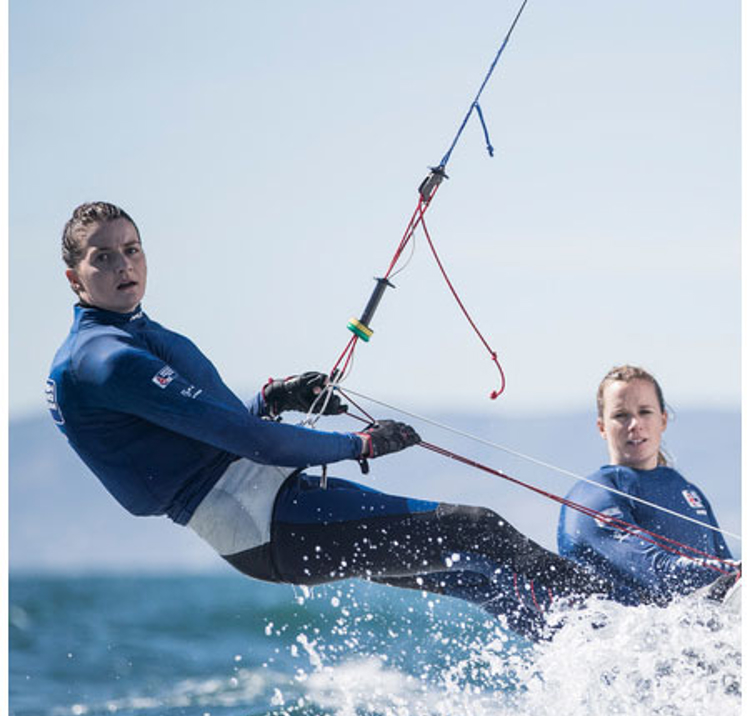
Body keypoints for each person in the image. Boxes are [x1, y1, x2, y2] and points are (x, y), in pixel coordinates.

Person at [47, 201, 612, 641]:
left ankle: (586, 653)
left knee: (476, 574)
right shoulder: (105, 360)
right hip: (267, 523)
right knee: (478, 529)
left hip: (276, 509)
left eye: (132, 249)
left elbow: (208, 433)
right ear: (75, 278)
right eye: (103, 257)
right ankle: (627, 617)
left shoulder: (126, 336)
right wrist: (360, 444)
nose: (124, 264)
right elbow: (246, 444)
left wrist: (274, 397)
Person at [557, 365, 738, 606]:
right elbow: (657, 572)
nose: (635, 424)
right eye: (621, 415)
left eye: (645, 411)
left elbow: (727, 572)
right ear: (602, 427)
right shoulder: (592, 495)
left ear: (662, 419)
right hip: (631, 639)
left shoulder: (688, 492)